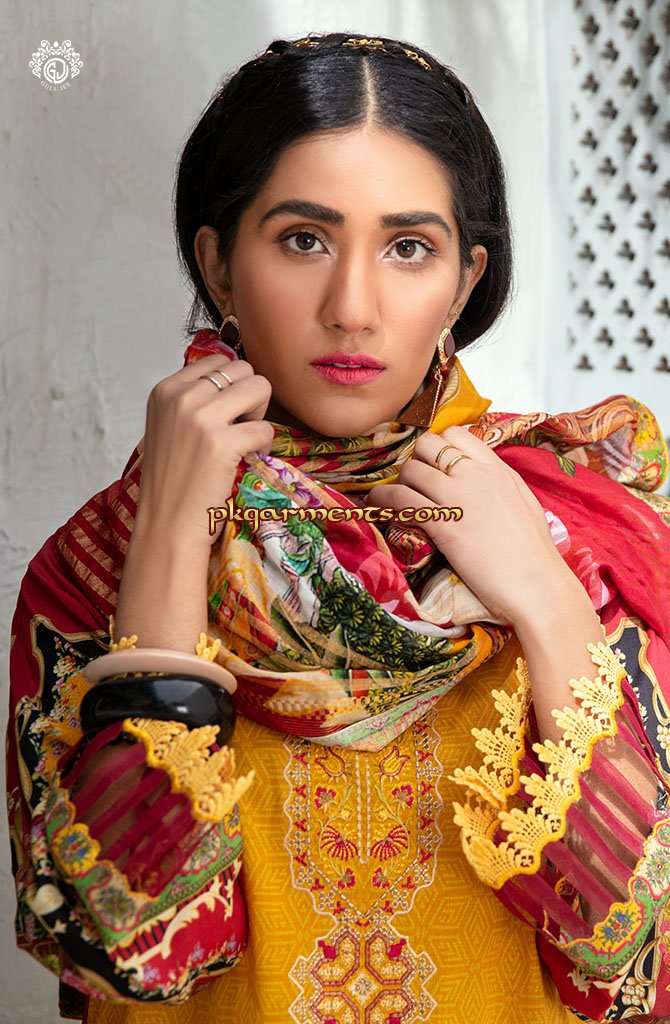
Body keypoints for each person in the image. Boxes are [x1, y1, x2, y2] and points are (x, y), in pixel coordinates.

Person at [7, 30, 670, 1024]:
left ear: (462, 281)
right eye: (303, 240)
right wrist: (171, 543)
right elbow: (126, 948)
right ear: (219, 265)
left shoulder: (582, 524)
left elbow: (631, 948)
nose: (353, 307)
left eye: (408, 248)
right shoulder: (98, 563)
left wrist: (543, 591)